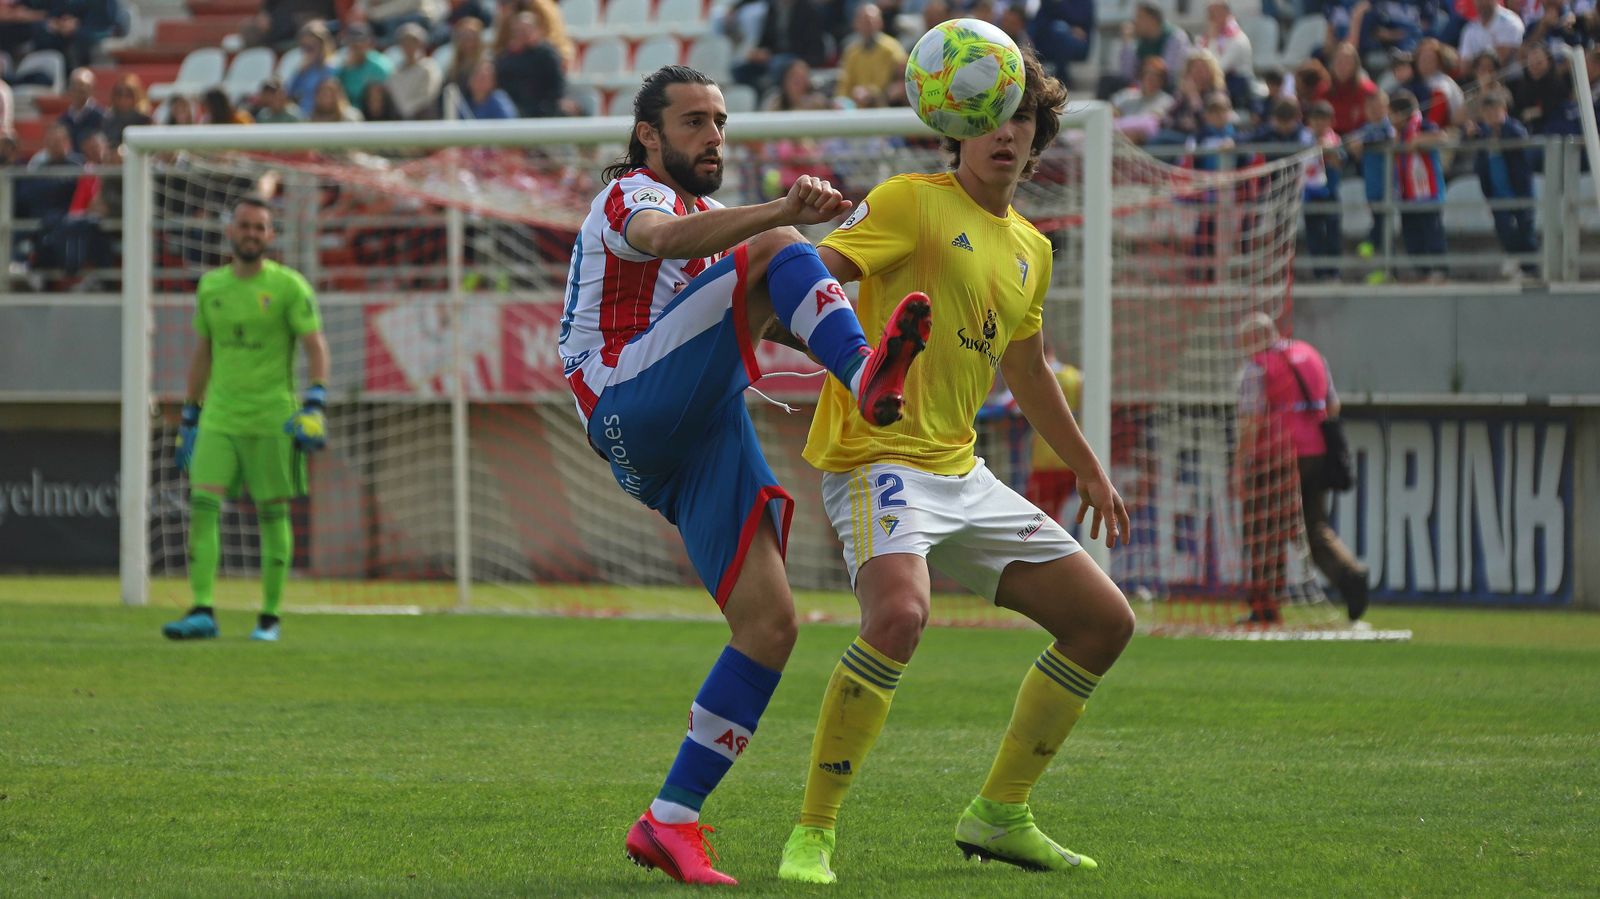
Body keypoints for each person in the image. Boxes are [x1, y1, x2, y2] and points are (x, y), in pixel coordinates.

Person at [558, 65, 930, 886]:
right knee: (775, 247)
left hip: (689, 431)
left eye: (720, 121)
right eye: (692, 122)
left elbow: (771, 307)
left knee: (770, 626)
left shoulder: (711, 218)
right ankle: (864, 374)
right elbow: (664, 243)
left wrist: (829, 307)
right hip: (625, 396)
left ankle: (670, 820)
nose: (713, 136)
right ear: (648, 136)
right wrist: (786, 221)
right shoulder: (632, 196)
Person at [776, 50, 1133, 885]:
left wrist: (1088, 466)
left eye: (1022, 121)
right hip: (877, 458)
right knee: (900, 614)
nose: (1006, 134)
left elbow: (1030, 368)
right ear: (956, 129)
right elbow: (813, 281)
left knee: (1103, 622)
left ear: (1037, 138)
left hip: (962, 475)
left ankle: (1000, 814)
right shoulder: (909, 202)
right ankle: (812, 832)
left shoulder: (1032, 249)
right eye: (989, 120)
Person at [163, 196, 331, 643]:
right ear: (230, 231)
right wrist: (190, 415)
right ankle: (202, 611)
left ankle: (270, 618)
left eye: (260, 227)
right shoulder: (211, 287)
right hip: (219, 417)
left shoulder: (290, 287)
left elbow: (315, 345)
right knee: (202, 507)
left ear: (271, 236)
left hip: (273, 418)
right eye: (245, 226)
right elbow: (203, 353)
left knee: (273, 515)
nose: (252, 234)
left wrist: (315, 403)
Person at [1234, 312, 1368, 626]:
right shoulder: (1311, 355)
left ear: (1254, 338)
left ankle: (1265, 607)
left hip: (1276, 456)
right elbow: (1332, 405)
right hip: (1316, 454)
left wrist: (1240, 467)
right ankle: (1351, 576)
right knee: (1314, 527)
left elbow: (1250, 421)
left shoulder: (1257, 367)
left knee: (1263, 532)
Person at [1464, 89, 1538, 277]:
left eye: (1494, 111)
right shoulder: (1484, 134)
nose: (1490, 116)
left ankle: (1530, 269)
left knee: (1525, 230)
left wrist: (1497, 132)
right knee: (1504, 229)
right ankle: (1515, 261)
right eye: (1486, 112)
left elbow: (1521, 145)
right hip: (1497, 192)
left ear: (1504, 110)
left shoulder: (1513, 128)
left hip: (1519, 191)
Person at [833, 3, 906, 103]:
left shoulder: (892, 48)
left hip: (886, 107)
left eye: (872, 21)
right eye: (864, 21)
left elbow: (902, 79)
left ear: (880, 23)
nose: (868, 25)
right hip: (856, 108)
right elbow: (844, 86)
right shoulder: (851, 52)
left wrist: (872, 94)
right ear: (856, 24)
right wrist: (842, 100)